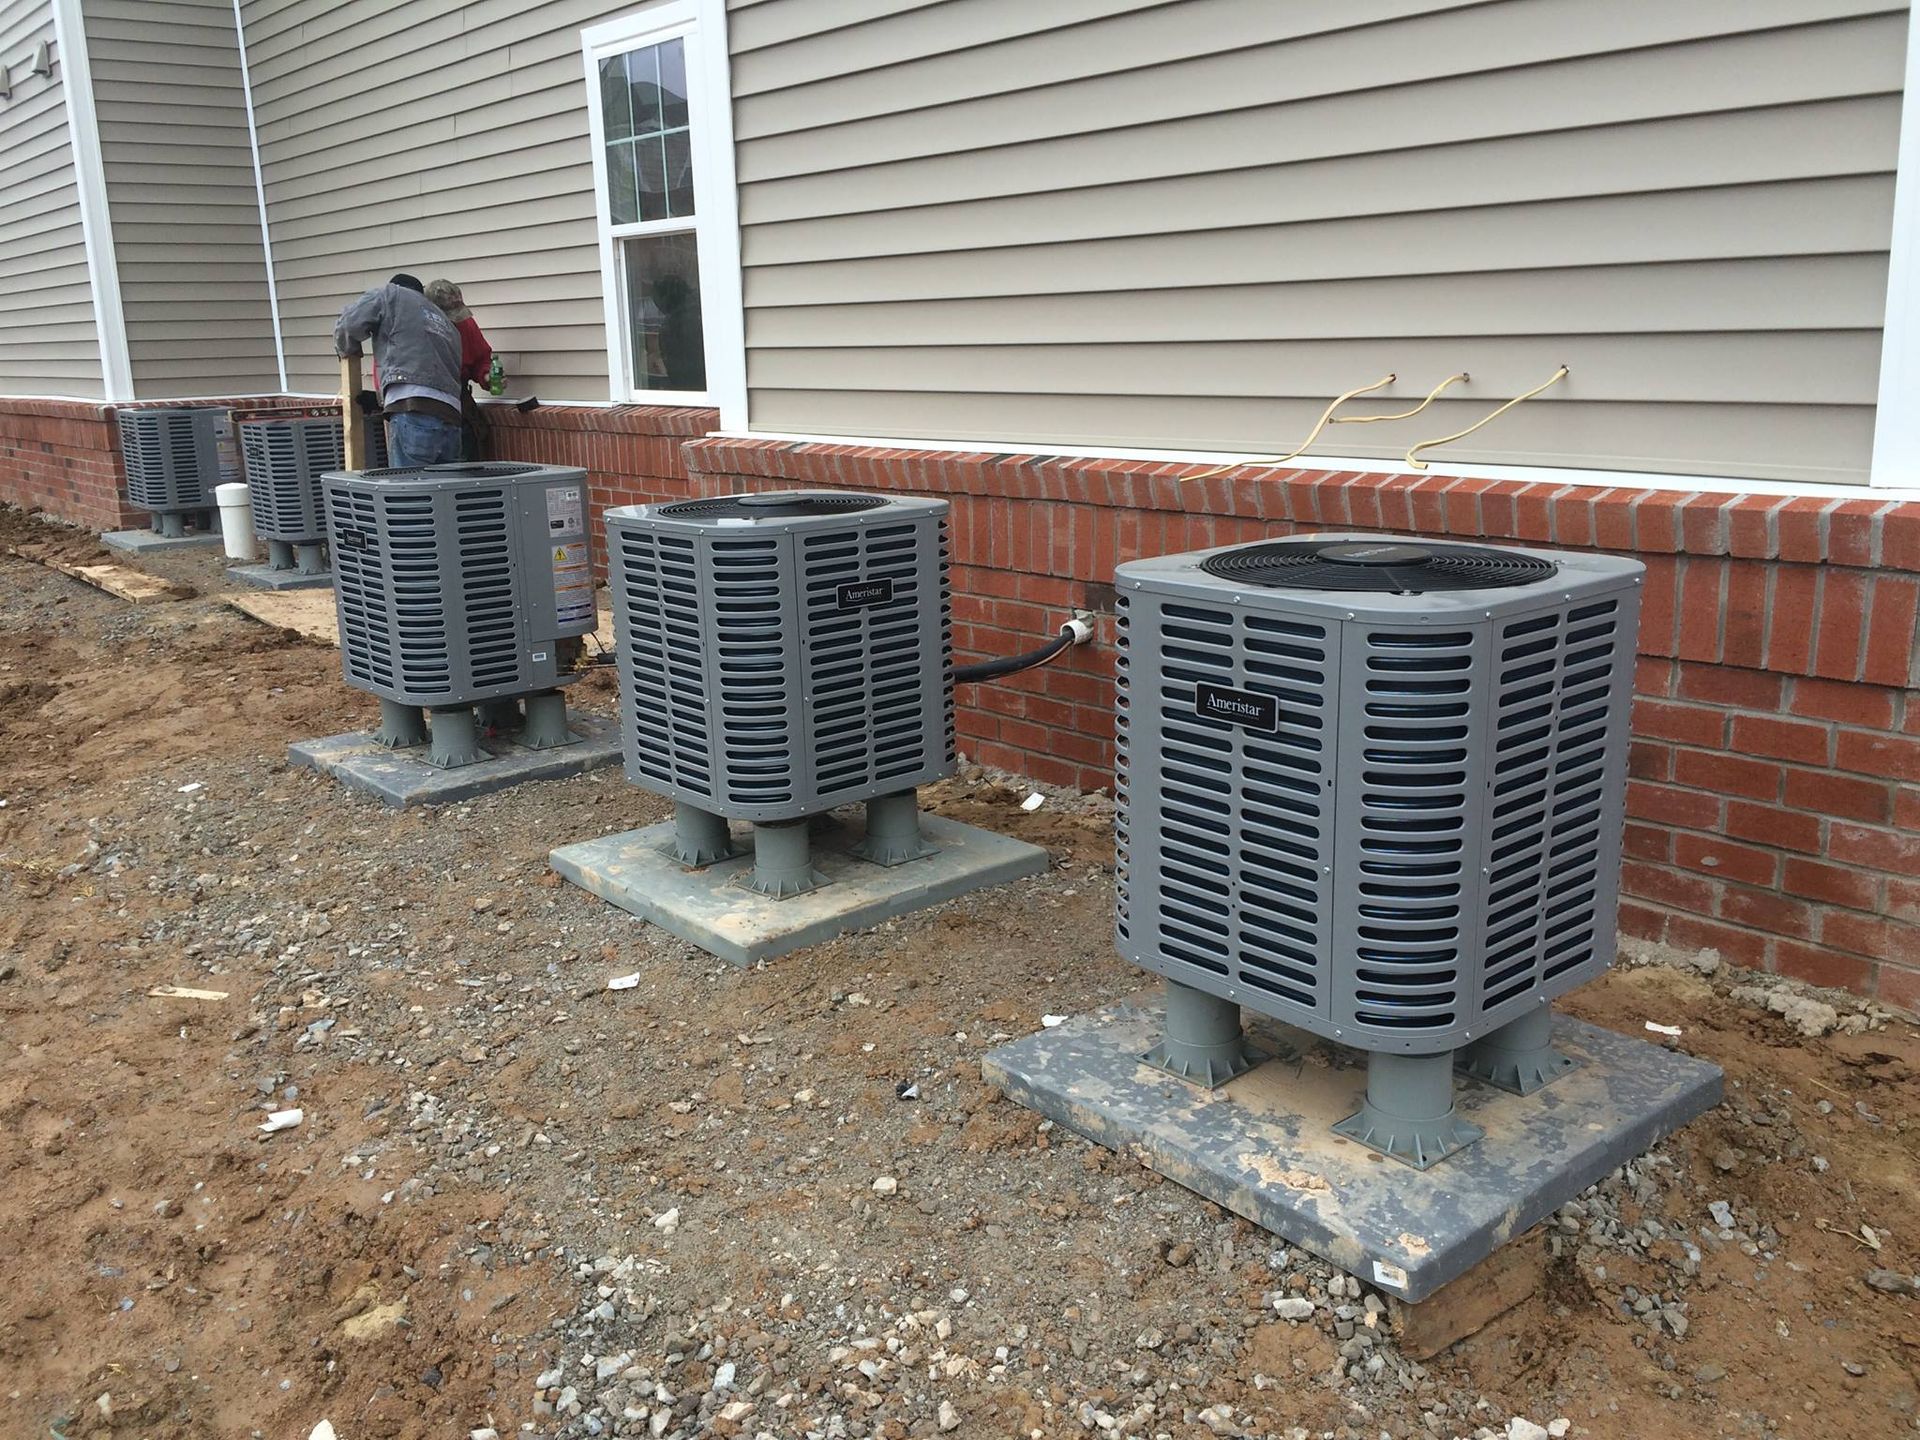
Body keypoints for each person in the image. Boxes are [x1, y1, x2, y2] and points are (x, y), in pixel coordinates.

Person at [333, 273, 464, 467]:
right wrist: (380, 400)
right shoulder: (445, 322)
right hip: (452, 420)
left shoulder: (391, 295)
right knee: (443, 493)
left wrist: (346, 349)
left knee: (408, 491)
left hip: (414, 413)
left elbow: (348, 324)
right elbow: (428, 374)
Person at [425, 278, 494, 460]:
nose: (455, 321)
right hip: (428, 401)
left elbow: (482, 358)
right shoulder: (418, 328)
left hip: (460, 399)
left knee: (467, 460)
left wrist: (486, 375)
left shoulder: (466, 324)